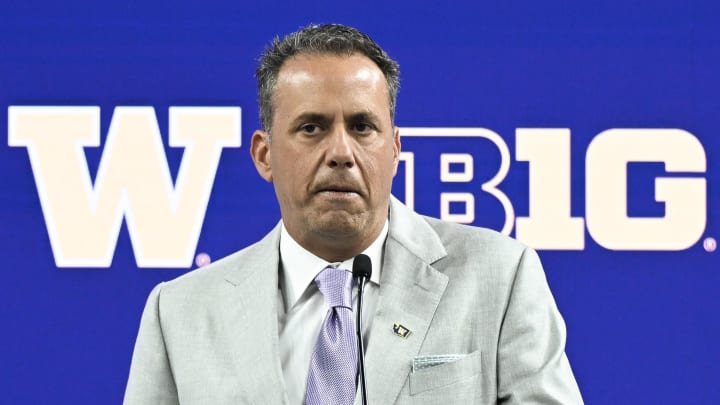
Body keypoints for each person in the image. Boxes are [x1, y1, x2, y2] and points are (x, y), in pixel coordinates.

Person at [124, 23, 584, 404]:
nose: (341, 152)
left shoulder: (499, 278)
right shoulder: (179, 313)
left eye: (362, 127)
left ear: (395, 149)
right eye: (312, 128)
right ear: (264, 156)